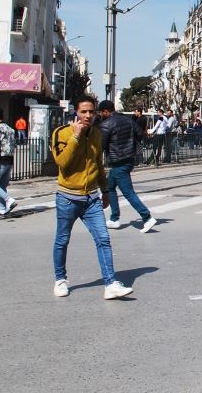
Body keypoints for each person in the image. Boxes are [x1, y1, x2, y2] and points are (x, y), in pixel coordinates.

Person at [51, 95, 133, 300]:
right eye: (84, 112)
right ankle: (60, 280)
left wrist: (105, 191)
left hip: (91, 198)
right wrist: (76, 137)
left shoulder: (96, 133)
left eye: (91, 112)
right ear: (75, 113)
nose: (88, 116)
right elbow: (62, 162)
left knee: (104, 239)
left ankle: (110, 283)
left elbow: (98, 163)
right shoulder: (61, 133)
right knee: (62, 240)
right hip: (68, 197)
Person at [97, 100, 157, 233]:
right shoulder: (128, 120)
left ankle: (147, 217)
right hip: (129, 159)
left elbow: (101, 146)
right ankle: (114, 219)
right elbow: (140, 134)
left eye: (101, 113)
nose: (101, 115)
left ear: (105, 111)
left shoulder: (106, 124)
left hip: (118, 161)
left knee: (128, 192)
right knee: (109, 187)